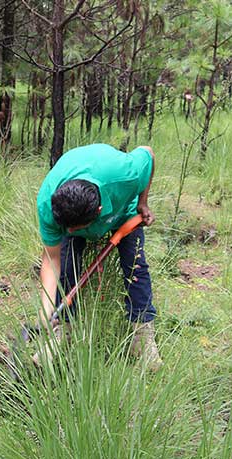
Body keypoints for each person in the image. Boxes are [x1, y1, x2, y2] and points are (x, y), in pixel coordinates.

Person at [35, 143, 161, 369]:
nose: (70, 232)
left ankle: (142, 334)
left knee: (135, 265)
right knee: (66, 262)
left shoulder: (126, 174)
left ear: (99, 211)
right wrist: (45, 308)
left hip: (123, 212)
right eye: (66, 227)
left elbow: (149, 153)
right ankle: (63, 328)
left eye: (76, 227)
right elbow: (50, 258)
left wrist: (143, 203)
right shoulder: (48, 204)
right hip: (76, 208)